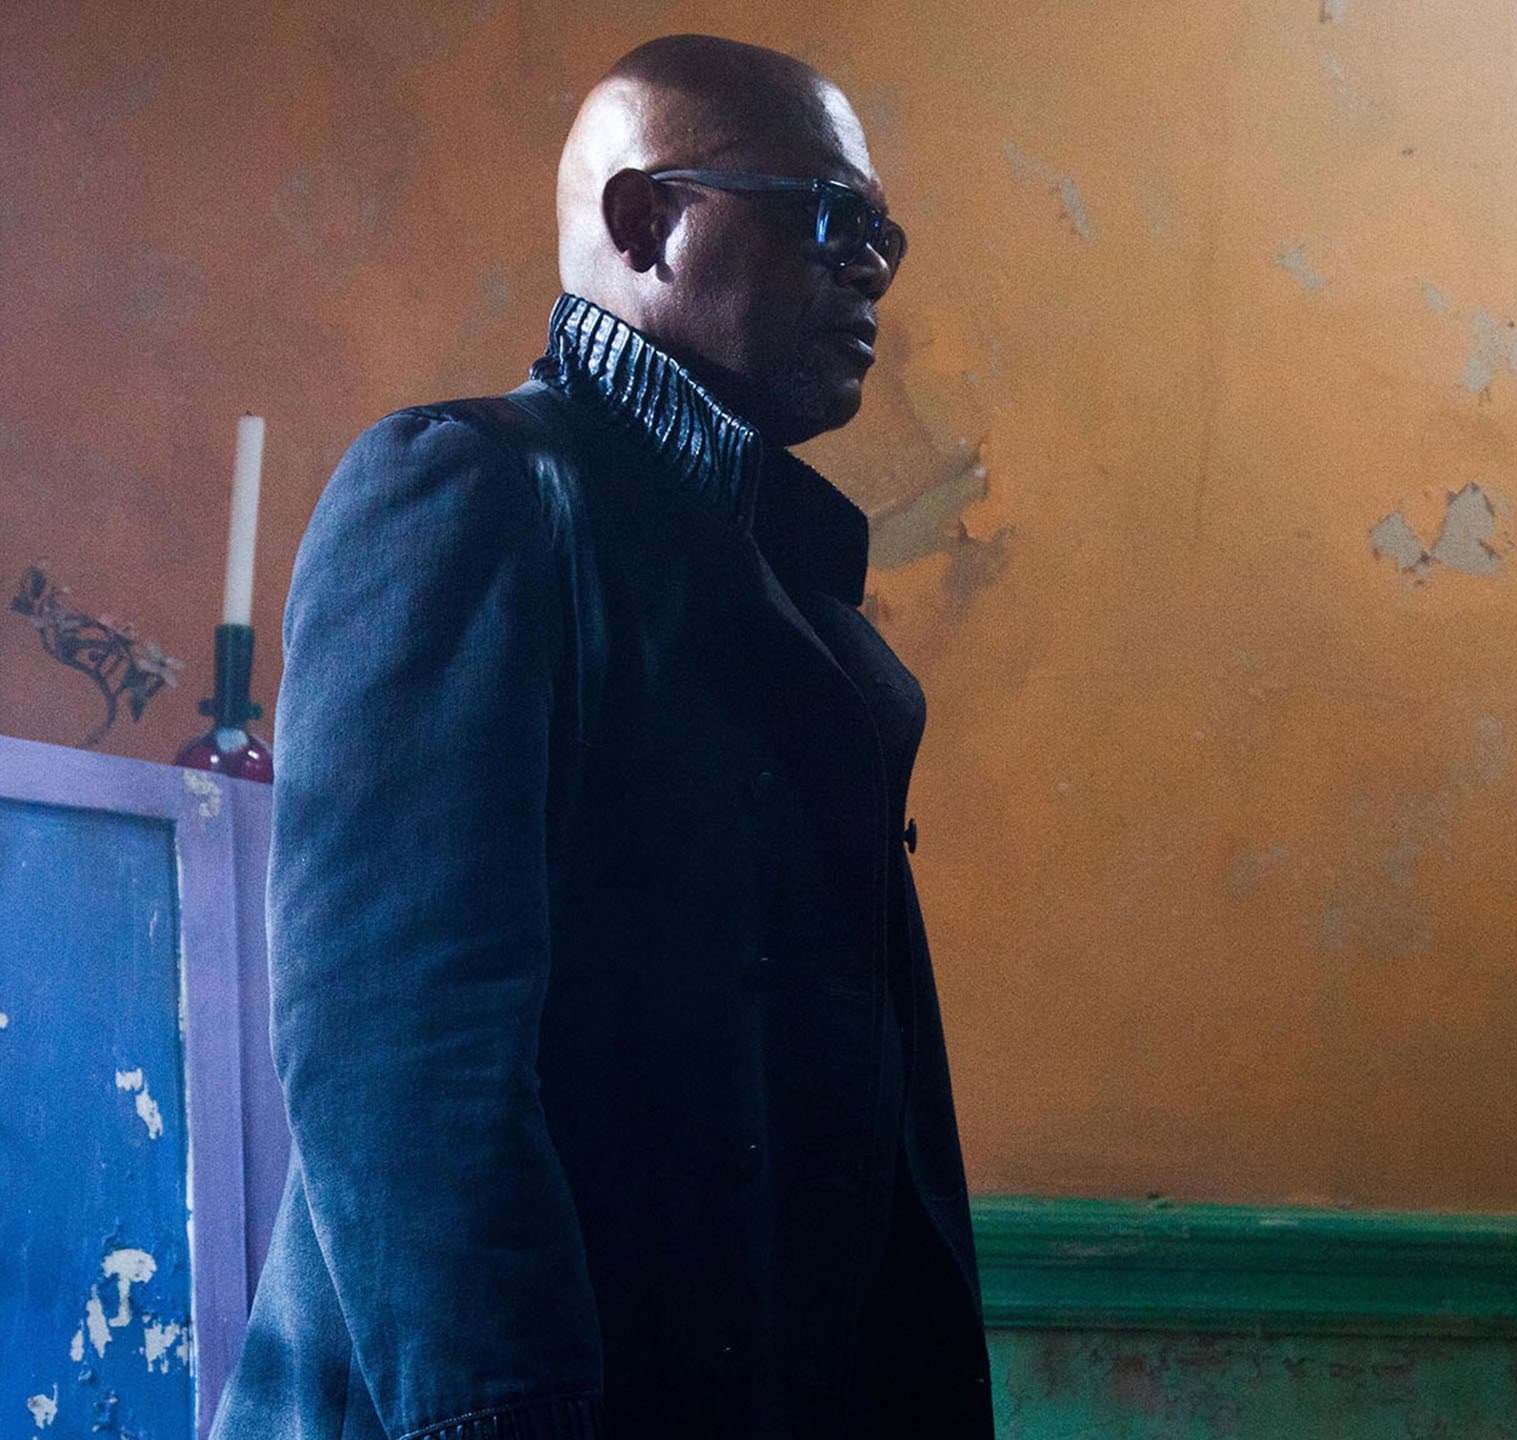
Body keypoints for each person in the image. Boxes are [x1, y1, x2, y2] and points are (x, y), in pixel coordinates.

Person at [213, 35, 991, 1440]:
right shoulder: (473, 492)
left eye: (885, 235)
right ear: (647, 223)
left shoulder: (779, 577)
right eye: (831, 217)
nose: (872, 269)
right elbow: (400, 1057)